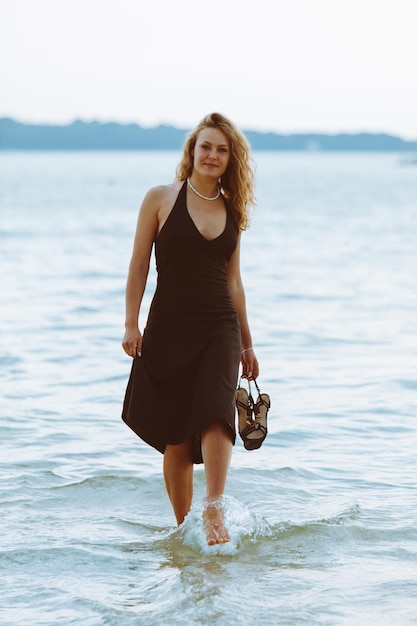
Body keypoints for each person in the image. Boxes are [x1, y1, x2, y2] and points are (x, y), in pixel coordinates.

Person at [121, 112, 259, 546]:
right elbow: (139, 263)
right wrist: (131, 322)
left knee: (218, 413)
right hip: (167, 326)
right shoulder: (160, 199)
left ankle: (214, 505)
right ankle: (184, 529)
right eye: (206, 147)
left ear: (230, 159)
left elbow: (233, 281)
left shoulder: (232, 210)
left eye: (222, 149)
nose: (213, 155)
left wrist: (247, 343)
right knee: (176, 435)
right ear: (192, 151)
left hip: (219, 325)